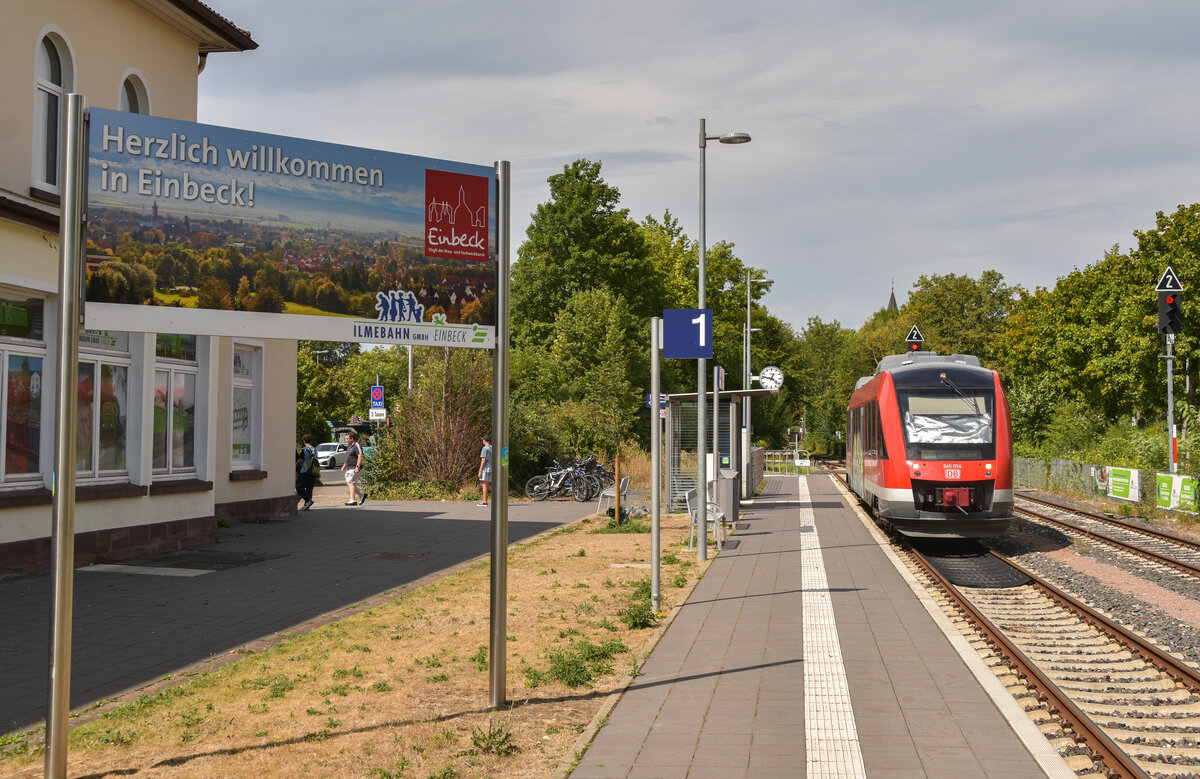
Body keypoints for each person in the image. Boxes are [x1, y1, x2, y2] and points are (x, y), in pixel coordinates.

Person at [342, 431, 365, 506]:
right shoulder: (350, 446)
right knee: (350, 483)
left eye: (347, 438)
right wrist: (345, 465)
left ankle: (352, 499)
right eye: (346, 438)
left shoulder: (356, 445)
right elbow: (349, 456)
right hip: (349, 467)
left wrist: (357, 467)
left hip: (354, 467)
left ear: (352, 438)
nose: (346, 440)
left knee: (351, 482)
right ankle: (361, 496)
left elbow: (360, 456)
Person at [296, 434, 317, 510]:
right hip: (312, 472)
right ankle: (307, 505)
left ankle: (308, 500)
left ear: (304, 441)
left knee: (298, 486)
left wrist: (295, 465)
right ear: (311, 441)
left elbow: (301, 460)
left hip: (304, 471)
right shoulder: (315, 449)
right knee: (309, 488)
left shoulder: (304, 450)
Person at [477, 434, 492, 506]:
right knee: (488, 484)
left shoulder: (485, 448)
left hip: (486, 468)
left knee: (485, 485)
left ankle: (485, 501)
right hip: (491, 467)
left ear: (484, 441)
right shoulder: (492, 448)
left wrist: (480, 470)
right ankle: (500, 495)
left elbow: (483, 460)